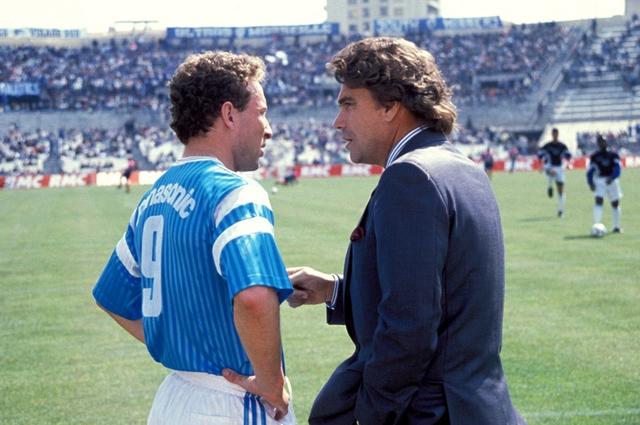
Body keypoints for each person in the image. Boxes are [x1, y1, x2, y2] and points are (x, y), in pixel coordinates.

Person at [287, 37, 525, 425]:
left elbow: (410, 325)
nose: (337, 122)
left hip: (429, 413)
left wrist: (370, 413)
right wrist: (336, 290)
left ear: (390, 106)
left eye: (349, 104)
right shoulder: (460, 167)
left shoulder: (410, 176)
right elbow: (444, 299)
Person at [92, 51, 296, 424]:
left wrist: (176, 343)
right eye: (262, 111)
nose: (268, 127)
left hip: (173, 399)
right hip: (234, 400)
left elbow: (111, 297)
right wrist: (271, 382)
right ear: (229, 114)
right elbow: (253, 296)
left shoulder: (152, 198)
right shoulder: (235, 191)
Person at [587, 134, 623, 232]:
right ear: (598, 143)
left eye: (604, 141)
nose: (602, 143)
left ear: (606, 142)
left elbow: (618, 169)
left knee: (615, 203)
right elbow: (590, 171)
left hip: (612, 181)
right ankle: (597, 225)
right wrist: (590, 183)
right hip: (599, 181)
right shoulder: (594, 156)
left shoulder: (613, 155)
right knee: (599, 201)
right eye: (600, 141)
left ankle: (616, 226)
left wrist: (612, 177)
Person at [537, 128, 571, 217]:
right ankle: (550, 186)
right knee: (551, 172)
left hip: (559, 167)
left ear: (558, 134)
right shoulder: (547, 146)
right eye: (553, 134)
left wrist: (567, 164)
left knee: (561, 190)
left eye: (556, 134)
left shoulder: (562, 146)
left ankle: (561, 210)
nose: (555, 135)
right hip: (550, 166)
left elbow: (568, 156)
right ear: (552, 135)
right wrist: (541, 165)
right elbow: (540, 155)